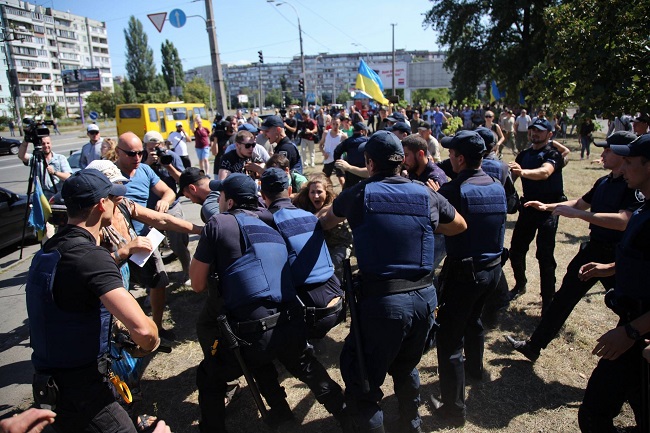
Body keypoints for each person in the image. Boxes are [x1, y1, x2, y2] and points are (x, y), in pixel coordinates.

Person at [319, 130, 467, 433]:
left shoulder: (359, 194)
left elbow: (324, 221)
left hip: (384, 305)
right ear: (401, 161)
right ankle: (412, 426)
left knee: (363, 383)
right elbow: (460, 225)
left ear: (369, 163)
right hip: (425, 301)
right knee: (406, 366)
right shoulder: (426, 193)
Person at [189, 173, 349, 433]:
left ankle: (218, 428)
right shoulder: (272, 222)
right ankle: (345, 414)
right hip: (289, 321)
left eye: (220, 196)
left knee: (209, 375)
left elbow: (196, 284)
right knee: (305, 367)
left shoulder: (219, 223)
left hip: (251, 331)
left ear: (229, 203)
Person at [26, 169, 160, 433]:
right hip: (83, 388)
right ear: (101, 204)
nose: (117, 203)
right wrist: (152, 339)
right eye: (113, 198)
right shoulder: (91, 256)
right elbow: (143, 331)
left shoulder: (48, 251)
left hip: (50, 383)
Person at [505, 131, 641, 362]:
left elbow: (623, 221)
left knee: (629, 307)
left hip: (618, 256)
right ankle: (534, 346)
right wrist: (548, 206)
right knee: (564, 298)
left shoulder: (634, 189)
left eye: (609, 149)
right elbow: (580, 203)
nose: (604, 153)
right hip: (593, 249)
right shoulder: (604, 181)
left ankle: (635, 347)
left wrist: (579, 215)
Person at [431, 130, 506, 427]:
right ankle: (474, 370)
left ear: (460, 159)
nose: (449, 157)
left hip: (466, 274)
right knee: (474, 320)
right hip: (493, 270)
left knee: (449, 339)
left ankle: (453, 410)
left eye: (451, 154)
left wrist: (435, 195)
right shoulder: (496, 184)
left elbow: (435, 225)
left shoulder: (454, 191)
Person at [576, 133, 650, 432]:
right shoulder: (645, 207)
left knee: (596, 414)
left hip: (640, 332)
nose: (623, 167)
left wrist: (630, 332)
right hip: (633, 325)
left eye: (630, 161)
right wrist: (611, 267)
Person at [260, 168, 344, 339]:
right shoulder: (311, 217)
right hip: (338, 302)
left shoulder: (266, 224)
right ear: (290, 191)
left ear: (262, 195)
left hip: (312, 313)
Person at [114, 132, 176, 338]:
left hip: (145, 239)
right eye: (131, 154)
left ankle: (156, 327)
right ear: (117, 152)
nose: (137, 158)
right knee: (118, 291)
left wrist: (165, 200)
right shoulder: (109, 174)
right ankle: (126, 334)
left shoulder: (145, 170)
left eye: (140, 153)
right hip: (117, 242)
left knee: (159, 281)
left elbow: (168, 191)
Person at [507, 118, 565, 314]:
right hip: (529, 206)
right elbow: (511, 178)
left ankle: (548, 300)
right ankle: (520, 284)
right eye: (532, 130)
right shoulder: (523, 154)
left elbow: (544, 173)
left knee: (545, 256)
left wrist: (521, 171)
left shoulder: (553, 154)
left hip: (548, 208)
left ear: (549, 134)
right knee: (516, 250)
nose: (534, 134)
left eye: (539, 131)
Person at [143, 131, 192, 285]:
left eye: (157, 147)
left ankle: (188, 272)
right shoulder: (141, 160)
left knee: (178, 244)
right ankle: (156, 282)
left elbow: (182, 180)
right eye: (150, 148)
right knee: (151, 249)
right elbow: (135, 179)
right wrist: (148, 164)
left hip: (172, 206)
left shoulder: (171, 156)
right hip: (148, 208)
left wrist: (168, 165)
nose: (154, 151)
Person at [401, 134, 448, 272]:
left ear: (420, 154)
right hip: (419, 234)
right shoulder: (414, 171)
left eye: (407, 155)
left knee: (423, 275)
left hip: (435, 237)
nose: (404, 160)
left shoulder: (434, 178)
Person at [293, 173, 353, 281]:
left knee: (332, 270)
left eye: (319, 192)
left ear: (327, 193)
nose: (316, 196)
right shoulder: (303, 205)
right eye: (312, 192)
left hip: (339, 244)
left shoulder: (335, 206)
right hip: (320, 246)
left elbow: (319, 222)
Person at [17, 136, 72, 201]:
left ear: (51, 144)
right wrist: (26, 140)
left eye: (48, 143)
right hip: (41, 198)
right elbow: (21, 155)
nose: (46, 146)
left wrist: (55, 172)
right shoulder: (35, 158)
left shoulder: (60, 158)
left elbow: (68, 177)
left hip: (57, 197)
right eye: (43, 144)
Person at [334, 122, 370, 189]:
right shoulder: (368, 140)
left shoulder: (347, 141)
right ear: (362, 131)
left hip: (351, 171)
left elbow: (336, 152)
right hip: (365, 171)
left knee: (348, 193)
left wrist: (339, 168)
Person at [319, 117, 347, 187]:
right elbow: (320, 145)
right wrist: (323, 152)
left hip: (338, 159)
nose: (335, 126)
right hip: (328, 159)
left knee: (341, 178)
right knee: (326, 177)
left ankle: (344, 192)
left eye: (337, 124)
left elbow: (347, 148)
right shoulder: (326, 133)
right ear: (331, 124)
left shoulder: (343, 136)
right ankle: (332, 192)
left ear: (340, 124)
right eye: (333, 124)